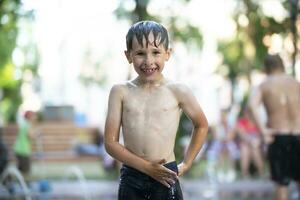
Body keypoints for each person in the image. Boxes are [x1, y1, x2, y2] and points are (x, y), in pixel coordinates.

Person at [104, 20, 208, 200]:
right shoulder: (120, 92)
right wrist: (147, 168)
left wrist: (187, 163)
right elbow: (110, 143)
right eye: (140, 53)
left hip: (166, 176)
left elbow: (201, 125)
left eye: (156, 52)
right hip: (132, 176)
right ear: (128, 55)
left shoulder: (178, 91)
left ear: (167, 54)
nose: (148, 61)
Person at [249, 54, 300, 200]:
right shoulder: (295, 83)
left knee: (281, 184)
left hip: (279, 137)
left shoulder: (264, 85)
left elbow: (252, 106)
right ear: (282, 65)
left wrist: (263, 131)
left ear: (266, 68)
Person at [235, 106, 264, 178]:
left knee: (255, 150)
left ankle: (261, 172)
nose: (247, 114)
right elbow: (242, 134)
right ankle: (245, 173)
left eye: (249, 112)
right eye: (246, 112)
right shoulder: (240, 122)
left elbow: (261, 134)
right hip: (246, 143)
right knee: (245, 149)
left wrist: (257, 141)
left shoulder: (256, 122)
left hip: (256, 144)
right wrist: (251, 141)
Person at [13, 110, 38, 183]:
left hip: (19, 149)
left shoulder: (23, 124)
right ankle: (26, 185)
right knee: (26, 169)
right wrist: (37, 135)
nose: (35, 117)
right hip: (23, 150)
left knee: (20, 168)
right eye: (33, 116)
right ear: (30, 117)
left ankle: (16, 183)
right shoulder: (27, 124)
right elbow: (30, 136)